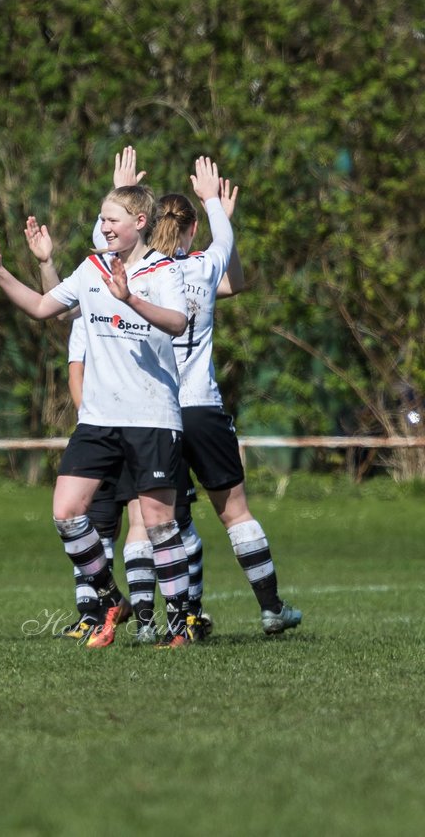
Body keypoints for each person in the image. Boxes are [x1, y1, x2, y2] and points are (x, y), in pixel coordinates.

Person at [0, 162, 214, 648]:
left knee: (160, 525)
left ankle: (180, 627)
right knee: (66, 511)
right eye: (102, 220)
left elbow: (176, 323)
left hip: (151, 417)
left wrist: (131, 300)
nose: (104, 227)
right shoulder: (90, 268)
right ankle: (111, 599)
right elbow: (45, 308)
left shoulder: (162, 270)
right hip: (100, 419)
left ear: (140, 224)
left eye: (113, 221)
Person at [148, 169, 303, 636]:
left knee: (171, 520)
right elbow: (228, 264)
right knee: (235, 512)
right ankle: (271, 608)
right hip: (202, 408)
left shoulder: (139, 273)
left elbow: (234, 284)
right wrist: (218, 207)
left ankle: (185, 615)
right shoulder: (200, 267)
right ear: (194, 228)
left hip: (157, 413)